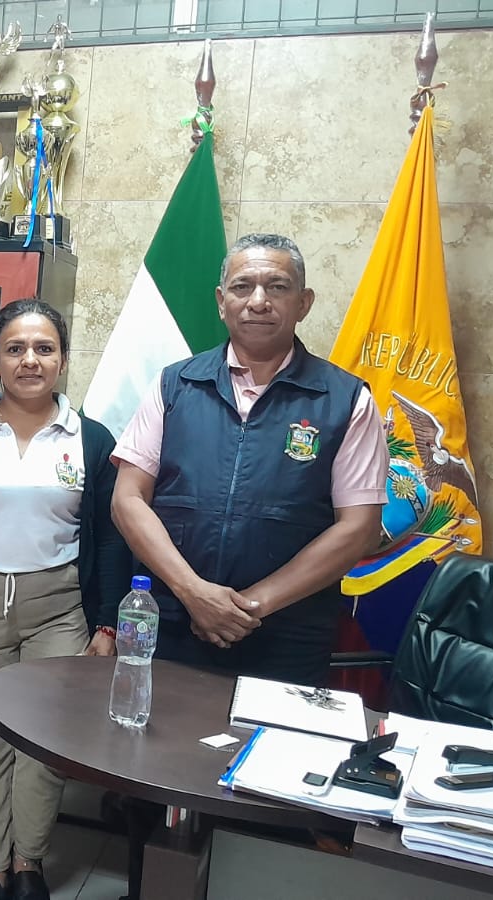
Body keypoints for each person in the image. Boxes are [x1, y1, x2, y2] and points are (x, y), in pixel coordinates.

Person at [0, 299, 131, 900]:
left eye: (44, 348)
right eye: (15, 349)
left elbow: (112, 538)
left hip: (59, 606)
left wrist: (106, 624)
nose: (29, 360)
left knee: (44, 743)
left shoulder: (91, 438)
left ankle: (28, 862)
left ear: (62, 360)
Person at [111, 233, 386, 685]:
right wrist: (194, 594)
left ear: (304, 303)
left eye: (277, 287)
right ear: (222, 302)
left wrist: (248, 607)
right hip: (176, 624)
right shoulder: (174, 385)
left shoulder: (346, 399)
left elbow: (359, 528)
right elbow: (127, 500)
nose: (258, 301)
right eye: (242, 287)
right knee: (161, 731)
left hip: (286, 638)